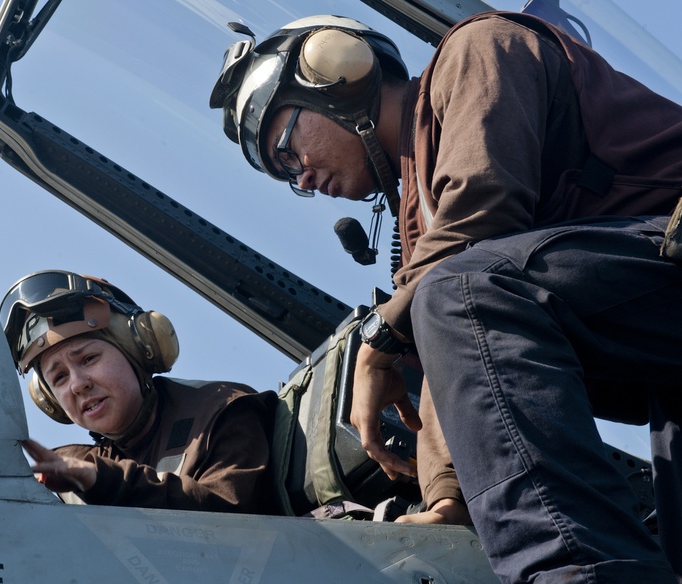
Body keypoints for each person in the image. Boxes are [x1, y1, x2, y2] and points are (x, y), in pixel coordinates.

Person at [210, 10, 682, 583]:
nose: (301, 179)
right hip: (662, 348)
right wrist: (447, 500)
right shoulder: (422, 221)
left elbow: (484, 213)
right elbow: (466, 357)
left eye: (286, 149)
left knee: (452, 293)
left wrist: (380, 340)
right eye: (284, 175)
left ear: (336, 71)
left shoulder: (476, 50)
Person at [0, 270, 279, 514]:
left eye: (89, 359)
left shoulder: (222, 412)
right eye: (59, 377)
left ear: (135, 348)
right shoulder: (72, 470)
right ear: (48, 400)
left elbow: (230, 523)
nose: (77, 384)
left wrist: (100, 481)